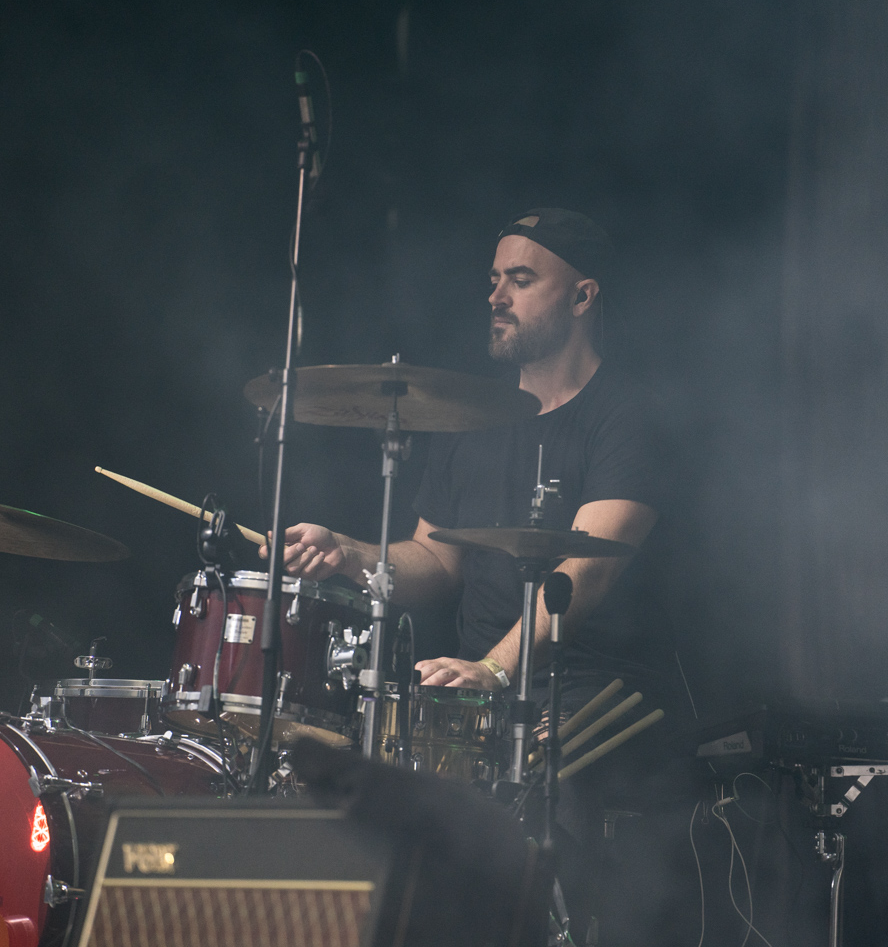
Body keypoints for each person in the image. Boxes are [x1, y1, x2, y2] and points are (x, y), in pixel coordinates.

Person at [263, 207, 666, 713]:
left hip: (592, 694)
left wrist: (494, 669)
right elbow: (436, 560)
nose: (496, 297)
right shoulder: (471, 415)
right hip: (479, 694)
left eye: (521, 280)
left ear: (582, 296)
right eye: (495, 280)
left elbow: (586, 572)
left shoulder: (628, 417)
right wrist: (348, 553)